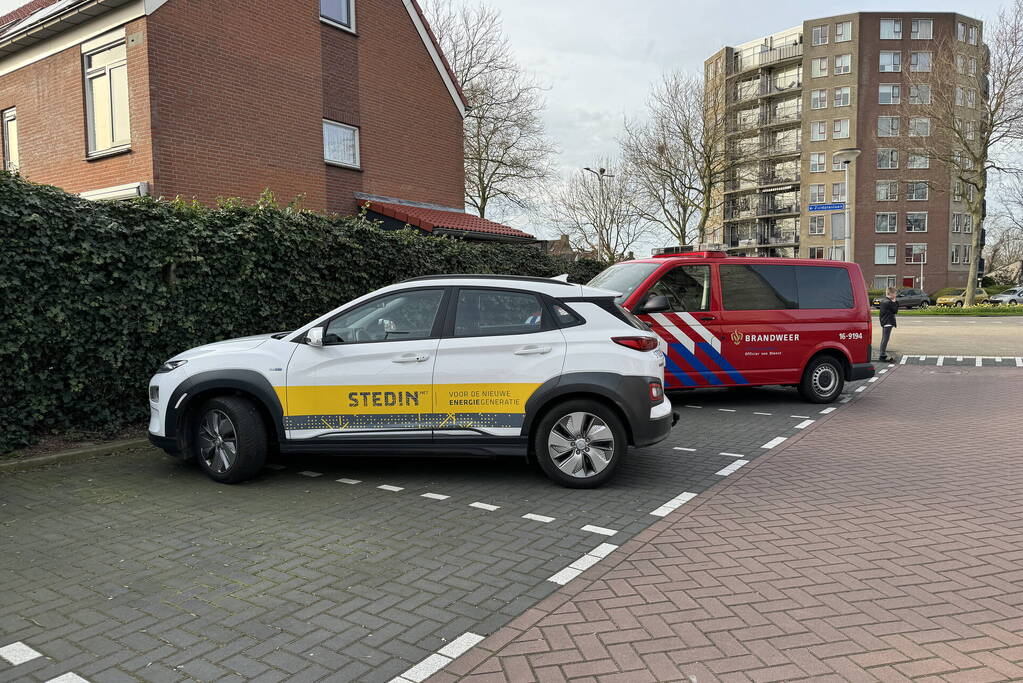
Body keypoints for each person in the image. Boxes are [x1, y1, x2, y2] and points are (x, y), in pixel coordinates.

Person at [878, 287, 899, 361]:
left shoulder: (884, 301)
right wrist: (895, 301)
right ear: (891, 294)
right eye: (895, 293)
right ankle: (882, 355)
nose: (896, 295)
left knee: (884, 338)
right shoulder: (889, 302)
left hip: (885, 322)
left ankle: (882, 354)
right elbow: (895, 310)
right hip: (888, 322)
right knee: (885, 339)